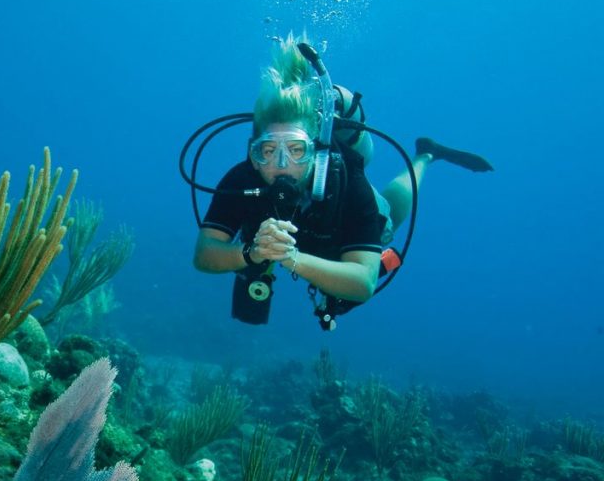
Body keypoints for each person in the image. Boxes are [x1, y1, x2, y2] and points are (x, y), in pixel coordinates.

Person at [193, 34, 492, 326]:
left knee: (388, 219)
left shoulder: (345, 179)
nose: (282, 165)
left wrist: (292, 257)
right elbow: (204, 254)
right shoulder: (240, 179)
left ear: (316, 150)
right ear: (253, 153)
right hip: (278, 244)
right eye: (268, 150)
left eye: (297, 150)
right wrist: (251, 253)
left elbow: (363, 282)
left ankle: (426, 156)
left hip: (333, 230)